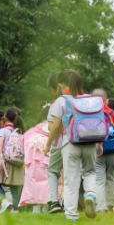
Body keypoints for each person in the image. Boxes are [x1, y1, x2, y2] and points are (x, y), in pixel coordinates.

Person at [44, 69, 103, 222]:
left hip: (70, 143)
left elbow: (55, 126)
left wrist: (47, 145)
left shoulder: (61, 101)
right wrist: (99, 144)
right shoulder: (88, 100)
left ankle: (72, 216)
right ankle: (90, 194)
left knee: (71, 180)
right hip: (89, 141)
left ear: (60, 84)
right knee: (89, 172)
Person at [92, 90, 114, 212]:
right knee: (111, 177)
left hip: (97, 151)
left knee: (99, 179)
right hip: (113, 150)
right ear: (106, 101)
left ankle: (101, 207)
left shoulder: (90, 113)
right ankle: (110, 206)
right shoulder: (112, 114)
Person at [0, 107, 25, 213]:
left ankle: (4, 201)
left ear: (5, 117)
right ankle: (16, 210)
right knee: (14, 188)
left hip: (5, 161)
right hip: (17, 162)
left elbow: (0, 145)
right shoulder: (20, 131)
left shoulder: (4, 130)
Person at [19, 121, 52, 213]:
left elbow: (23, 146)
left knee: (35, 190)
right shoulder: (52, 132)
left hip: (32, 165)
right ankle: (46, 210)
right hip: (47, 163)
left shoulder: (31, 134)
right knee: (47, 188)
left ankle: (36, 210)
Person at [45, 72, 65, 214]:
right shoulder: (73, 101)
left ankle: (53, 201)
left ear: (53, 89)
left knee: (52, 170)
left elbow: (53, 126)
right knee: (70, 173)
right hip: (76, 142)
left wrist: (47, 144)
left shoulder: (56, 104)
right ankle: (69, 202)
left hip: (59, 143)